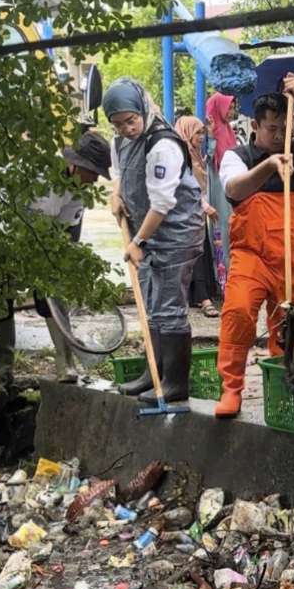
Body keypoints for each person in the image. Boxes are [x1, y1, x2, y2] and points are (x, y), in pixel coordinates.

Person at [213, 73, 294, 418]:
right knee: (237, 315)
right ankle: (231, 389)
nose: (280, 136)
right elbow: (234, 189)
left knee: (292, 328)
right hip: (251, 258)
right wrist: (268, 166)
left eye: (285, 129)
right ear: (255, 125)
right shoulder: (237, 156)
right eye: (272, 129)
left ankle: (288, 388)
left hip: (292, 259)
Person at [104, 78, 205, 404]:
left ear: (142, 110)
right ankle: (154, 373)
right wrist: (115, 192)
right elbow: (117, 168)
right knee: (152, 306)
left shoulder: (162, 145)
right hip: (144, 233)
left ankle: (175, 383)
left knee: (169, 307)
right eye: (118, 124)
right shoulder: (119, 140)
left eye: (130, 121)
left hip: (175, 233)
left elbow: (162, 203)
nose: (126, 129)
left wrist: (138, 241)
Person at [34, 131, 114, 381]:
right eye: (91, 172)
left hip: (50, 234)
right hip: (15, 232)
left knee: (51, 292)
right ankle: (2, 363)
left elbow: (67, 233)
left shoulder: (80, 190)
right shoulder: (43, 177)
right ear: (75, 164)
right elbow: (34, 225)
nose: (94, 179)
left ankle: (65, 361)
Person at [175, 116, 220, 317]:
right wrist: (204, 205)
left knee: (200, 252)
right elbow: (187, 184)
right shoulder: (180, 153)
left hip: (196, 210)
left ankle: (199, 297)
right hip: (186, 212)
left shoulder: (196, 154)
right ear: (187, 132)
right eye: (198, 132)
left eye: (203, 132)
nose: (201, 137)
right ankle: (204, 299)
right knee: (197, 254)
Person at [205, 92, 238, 294]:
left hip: (229, 191)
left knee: (231, 232)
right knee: (220, 232)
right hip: (217, 189)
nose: (232, 112)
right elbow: (208, 159)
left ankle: (231, 279)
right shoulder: (210, 131)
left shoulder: (228, 131)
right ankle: (222, 283)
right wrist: (210, 136)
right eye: (229, 107)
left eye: (233, 108)